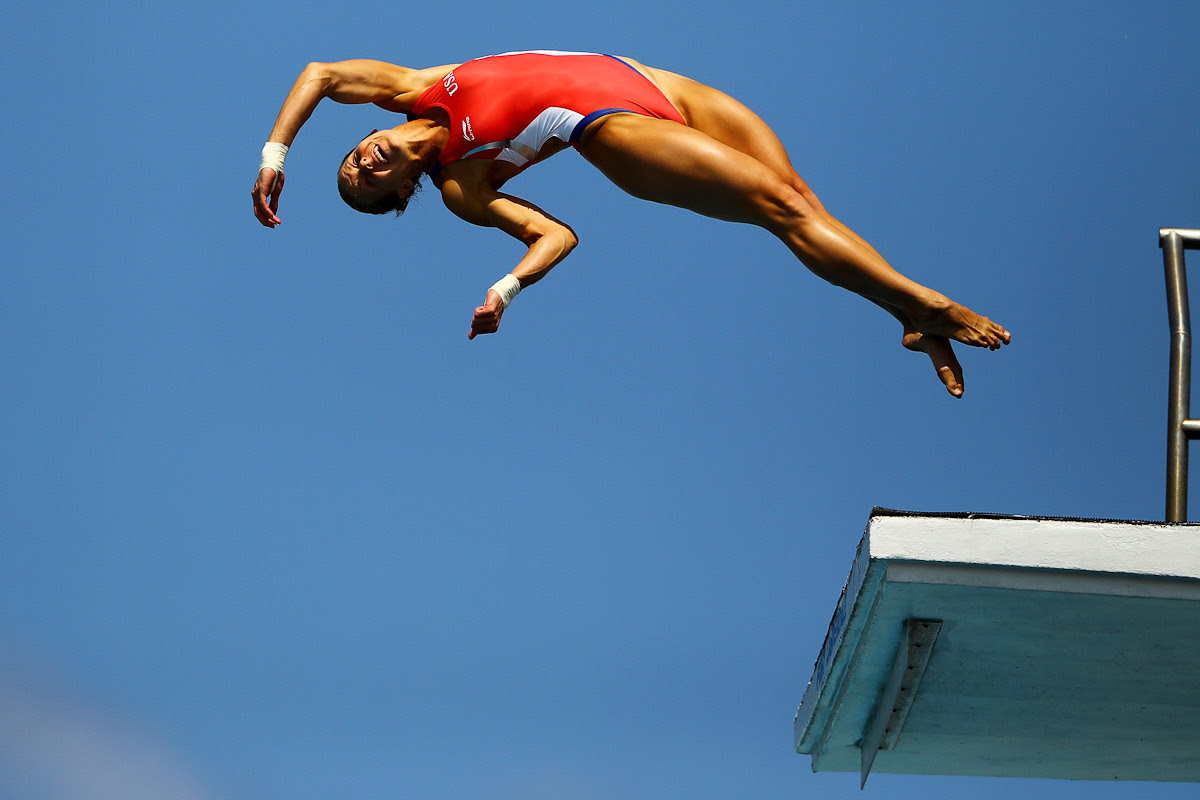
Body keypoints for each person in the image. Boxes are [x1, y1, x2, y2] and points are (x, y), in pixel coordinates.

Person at [251, 51, 1010, 397]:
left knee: (801, 199)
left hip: (651, 81)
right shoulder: (461, 183)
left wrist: (276, 152)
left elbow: (320, 73)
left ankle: (907, 320)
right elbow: (556, 236)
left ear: (366, 129)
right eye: (367, 184)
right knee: (781, 210)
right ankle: (926, 304)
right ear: (400, 194)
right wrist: (506, 291)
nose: (365, 163)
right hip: (611, 129)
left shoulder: (416, 86)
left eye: (352, 158)